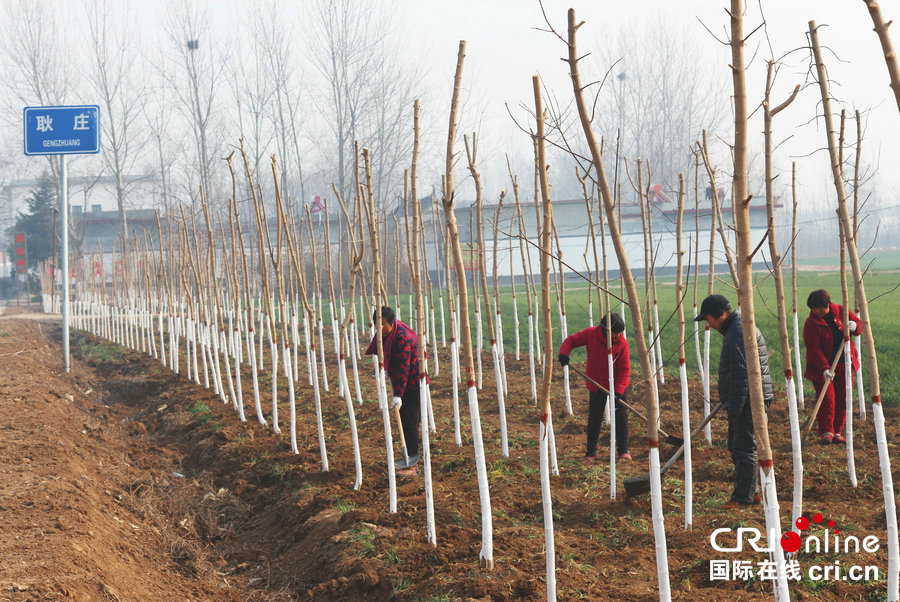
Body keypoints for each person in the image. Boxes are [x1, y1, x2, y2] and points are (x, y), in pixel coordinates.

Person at [695, 294, 774, 508]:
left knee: (744, 447)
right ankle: (752, 493)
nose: (708, 325)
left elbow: (741, 374)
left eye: (708, 319)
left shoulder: (738, 331)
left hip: (750, 399)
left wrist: (735, 406)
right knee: (738, 445)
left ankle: (742, 498)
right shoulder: (735, 329)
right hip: (747, 397)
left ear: (720, 315)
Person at [557, 312, 631, 463]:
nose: (619, 336)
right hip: (596, 383)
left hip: (617, 385)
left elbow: (624, 370)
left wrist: (618, 390)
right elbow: (571, 340)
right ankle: (591, 452)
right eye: (616, 333)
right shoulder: (591, 334)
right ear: (606, 331)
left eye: (620, 333)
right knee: (595, 418)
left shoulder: (622, 344)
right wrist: (564, 353)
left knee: (621, 417)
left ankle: (623, 451)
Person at [803, 289, 862, 445]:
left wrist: (854, 326)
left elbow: (859, 328)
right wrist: (825, 369)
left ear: (827, 305)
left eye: (817, 308)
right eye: (812, 308)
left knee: (843, 398)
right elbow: (813, 349)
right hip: (823, 367)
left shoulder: (842, 312)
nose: (815, 311)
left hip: (844, 363)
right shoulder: (811, 323)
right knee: (827, 398)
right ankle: (826, 432)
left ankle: (837, 432)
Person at [365, 306, 421, 471]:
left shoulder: (402, 338)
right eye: (377, 325)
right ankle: (409, 457)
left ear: (391, 322)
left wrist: (398, 395)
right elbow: (379, 349)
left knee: (410, 422)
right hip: (402, 382)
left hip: (413, 383)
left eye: (383, 325)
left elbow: (404, 367)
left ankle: (413, 464)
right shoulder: (386, 334)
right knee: (404, 421)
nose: (380, 329)